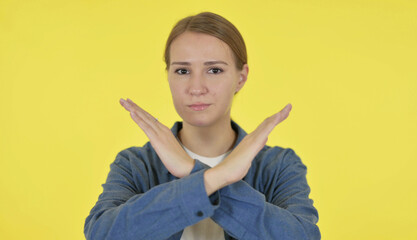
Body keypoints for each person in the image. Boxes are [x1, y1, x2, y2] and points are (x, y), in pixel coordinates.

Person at [84, 11, 320, 240]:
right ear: (168, 76)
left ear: (241, 77)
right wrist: (215, 178)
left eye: (214, 70)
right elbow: (102, 234)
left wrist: (191, 171)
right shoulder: (136, 164)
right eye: (183, 71)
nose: (196, 88)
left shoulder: (277, 166)